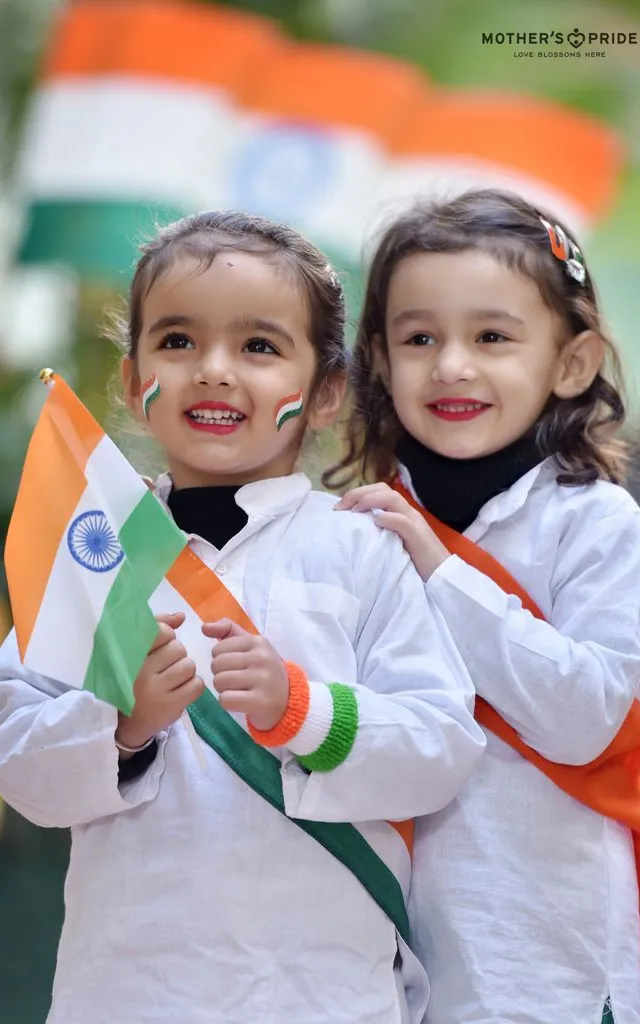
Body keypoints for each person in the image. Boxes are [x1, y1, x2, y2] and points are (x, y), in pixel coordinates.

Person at [0, 210, 485, 1024]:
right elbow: (20, 766)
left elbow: (439, 749)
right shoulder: (92, 552)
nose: (214, 371)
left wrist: (303, 709)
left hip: (320, 994)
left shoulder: (361, 549)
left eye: (259, 347)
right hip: (124, 994)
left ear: (328, 391)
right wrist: (121, 727)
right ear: (130, 380)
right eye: (178, 342)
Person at [330, 189, 640, 1024]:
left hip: (550, 964)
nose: (452, 365)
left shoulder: (597, 522)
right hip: (382, 968)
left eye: (492, 337)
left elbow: (587, 721)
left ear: (571, 364)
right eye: (419, 337)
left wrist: (438, 569)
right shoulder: (350, 530)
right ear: (379, 363)